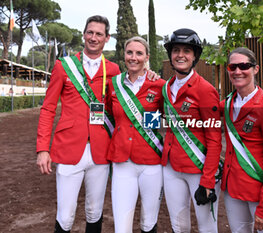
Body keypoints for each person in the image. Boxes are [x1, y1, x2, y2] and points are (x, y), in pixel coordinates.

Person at [36, 15, 121, 233]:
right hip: (68, 150)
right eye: (90, 32)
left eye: (99, 34)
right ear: (84, 34)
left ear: (107, 38)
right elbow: (48, 108)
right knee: (65, 215)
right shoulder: (64, 66)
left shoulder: (113, 70)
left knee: (95, 211)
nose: (93, 37)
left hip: (101, 151)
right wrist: (43, 149)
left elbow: (122, 105)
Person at [221, 47, 263, 232]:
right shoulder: (228, 103)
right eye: (232, 67)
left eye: (244, 66)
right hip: (233, 190)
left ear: (255, 69)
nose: (237, 71)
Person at [161, 28, 222, 233]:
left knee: (206, 227)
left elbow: (214, 140)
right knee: (179, 226)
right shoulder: (166, 87)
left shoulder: (205, 90)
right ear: (170, 55)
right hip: (171, 168)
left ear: (195, 56)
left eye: (187, 51)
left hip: (198, 169)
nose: (180, 55)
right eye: (176, 50)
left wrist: (208, 180)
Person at [107, 36, 165, 233]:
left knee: (149, 223)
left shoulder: (160, 85)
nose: (134, 57)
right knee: (121, 225)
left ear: (146, 57)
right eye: (129, 52)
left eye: (139, 53)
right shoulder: (113, 84)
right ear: (124, 56)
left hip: (151, 163)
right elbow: (109, 116)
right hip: (122, 163)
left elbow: (167, 119)